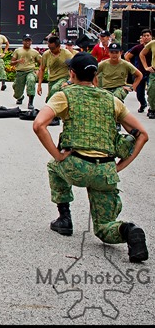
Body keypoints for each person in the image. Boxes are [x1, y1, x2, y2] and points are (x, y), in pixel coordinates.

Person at [32, 53, 148, 263]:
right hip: (105, 172)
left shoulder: (64, 95)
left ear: (72, 73)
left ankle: (64, 218)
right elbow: (143, 135)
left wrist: (58, 156)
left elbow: (39, 125)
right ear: (96, 75)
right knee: (103, 228)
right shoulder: (111, 100)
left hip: (77, 166)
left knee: (52, 166)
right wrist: (120, 166)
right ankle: (128, 230)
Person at [37, 36, 75, 112]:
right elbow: (42, 69)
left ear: (59, 47)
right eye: (49, 48)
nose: (51, 50)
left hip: (63, 77)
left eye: (53, 48)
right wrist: (39, 85)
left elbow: (73, 69)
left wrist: (70, 81)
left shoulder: (67, 54)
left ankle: (52, 112)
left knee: (55, 89)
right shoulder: (46, 54)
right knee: (51, 97)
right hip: (52, 79)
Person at [124, 29, 152, 114]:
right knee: (139, 93)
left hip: (152, 72)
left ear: (151, 37)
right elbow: (127, 57)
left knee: (151, 91)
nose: (146, 37)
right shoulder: (138, 48)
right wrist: (132, 68)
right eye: (144, 36)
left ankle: (151, 108)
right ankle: (143, 104)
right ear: (142, 38)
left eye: (148, 35)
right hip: (140, 73)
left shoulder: (153, 46)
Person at [12, 34, 42, 110]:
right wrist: (18, 61)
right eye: (26, 41)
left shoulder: (35, 52)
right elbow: (11, 62)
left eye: (29, 41)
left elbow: (41, 63)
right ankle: (20, 97)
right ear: (23, 41)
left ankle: (30, 102)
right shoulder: (18, 51)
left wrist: (38, 70)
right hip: (20, 72)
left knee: (31, 81)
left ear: (31, 42)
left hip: (30, 71)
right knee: (16, 92)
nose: (27, 42)